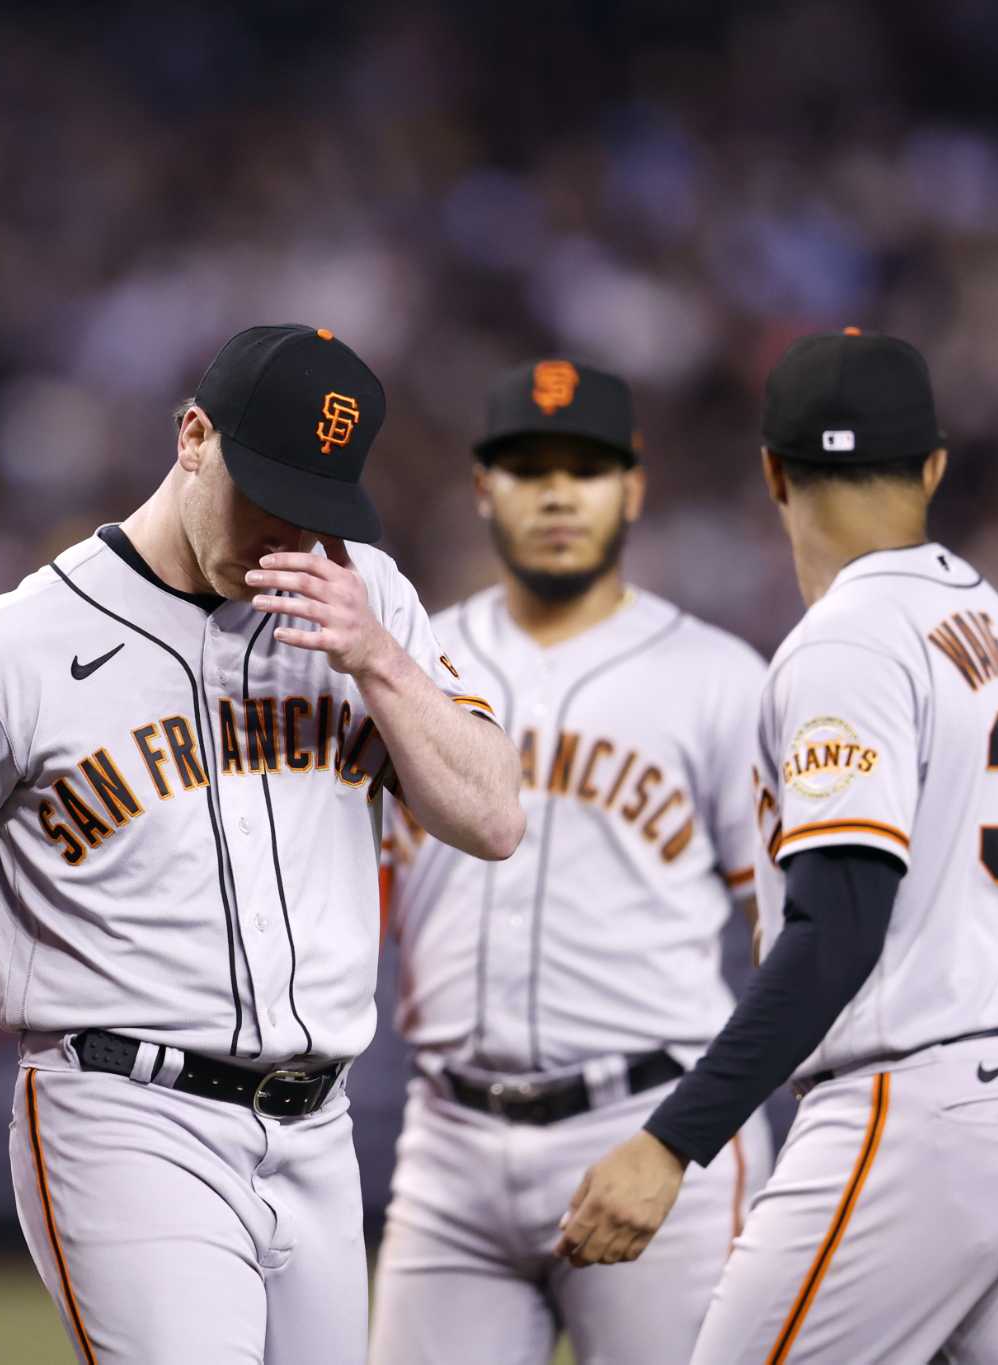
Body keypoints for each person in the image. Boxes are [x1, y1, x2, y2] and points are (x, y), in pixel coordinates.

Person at [0, 324, 524, 1364]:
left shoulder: (366, 602)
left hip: (320, 1127)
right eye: (263, 492)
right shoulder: (5, 651)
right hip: (125, 1116)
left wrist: (379, 660)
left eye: (315, 509)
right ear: (190, 437)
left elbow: (491, 817)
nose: (286, 534)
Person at [558, 328, 998, 1363]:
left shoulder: (850, 640)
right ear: (931, 465)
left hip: (910, 1106)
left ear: (770, 471)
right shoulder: (981, 616)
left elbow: (837, 928)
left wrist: (670, 1143)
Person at [368, 360, 772, 1364]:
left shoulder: (721, 680)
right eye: (525, 466)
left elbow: (785, 932)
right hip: (445, 1141)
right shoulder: (404, 666)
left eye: (583, 469)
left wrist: (695, 1134)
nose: (554, 492)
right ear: (480, 488)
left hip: (647, 1127)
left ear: (631, 488)